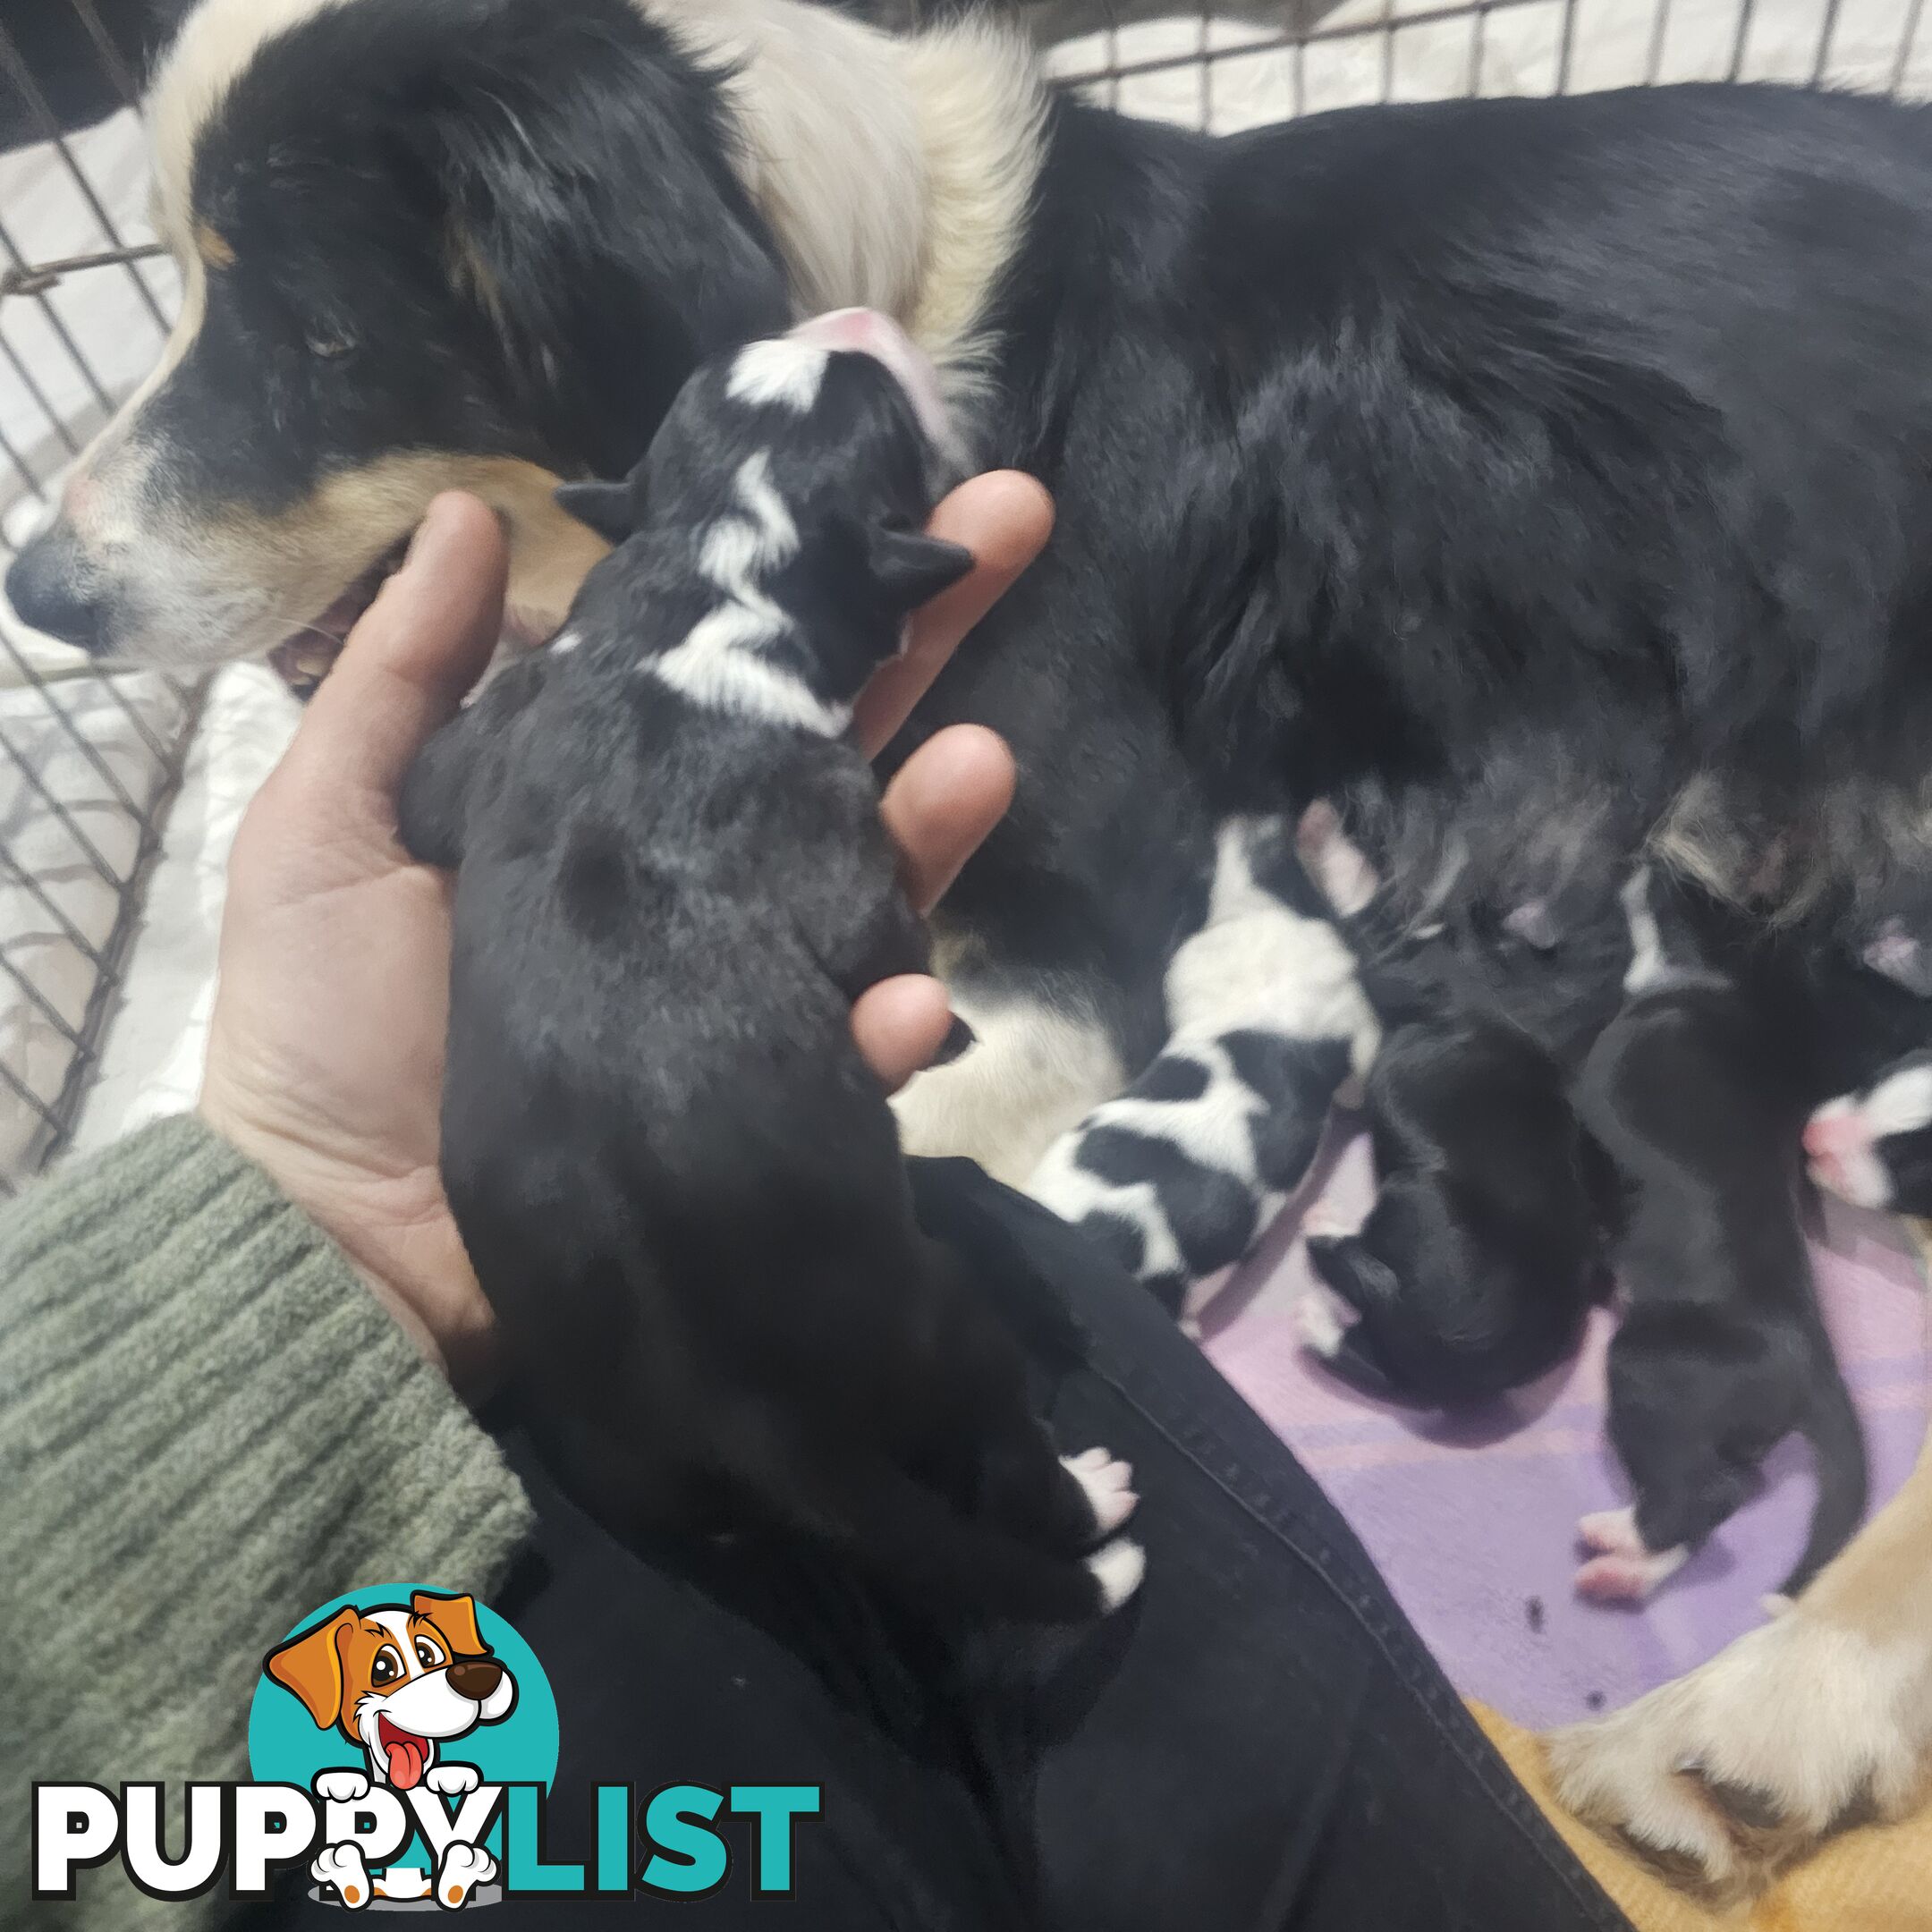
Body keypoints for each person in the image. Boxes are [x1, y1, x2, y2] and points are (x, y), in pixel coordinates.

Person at [0, 485, 1629, 1930]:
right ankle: (1038, 1538)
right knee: (966, 1282)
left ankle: (1031, 1536)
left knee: (959, 1264)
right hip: (243, 1778)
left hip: (297, 1556)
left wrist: (315, 1228)